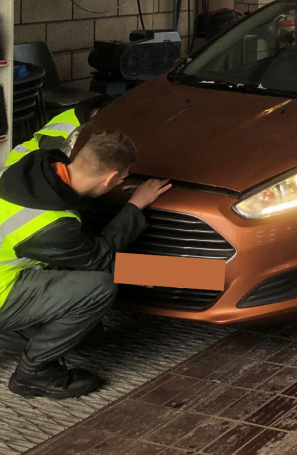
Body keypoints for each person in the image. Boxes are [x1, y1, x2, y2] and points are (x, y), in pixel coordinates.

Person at [0, 127, 171, 398]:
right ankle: (34, 374)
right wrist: (136, 204)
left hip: (10, 272)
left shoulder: (27, 168)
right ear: (112, 178)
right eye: (123, 178)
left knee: (86, 336)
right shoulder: (49, 225)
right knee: (99, 287)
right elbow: (98, 258)